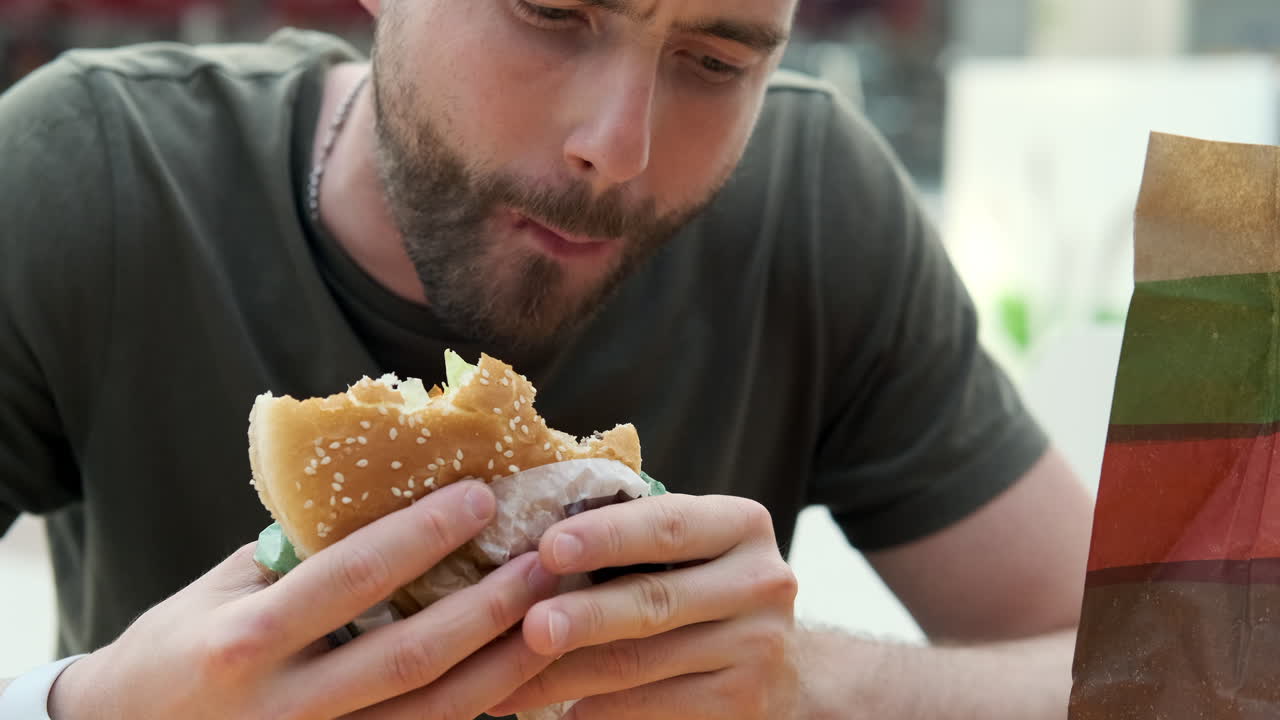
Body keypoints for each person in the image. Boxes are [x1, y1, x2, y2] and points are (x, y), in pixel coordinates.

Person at [0, 0, 1094, 718]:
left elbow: (1183, 664)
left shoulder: (810, 205)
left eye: (713, 61)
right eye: (552, 11)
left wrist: (813, 686)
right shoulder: (87, 178)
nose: (616, 148)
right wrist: (81, 706)